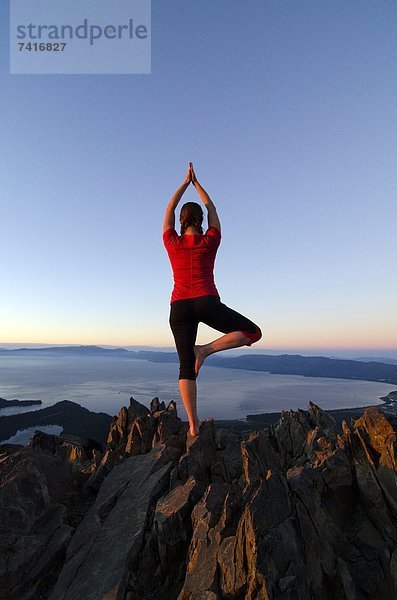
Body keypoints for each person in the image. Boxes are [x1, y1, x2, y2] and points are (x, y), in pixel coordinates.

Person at [163, 163, 262, 437]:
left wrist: (184, 184)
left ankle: (193, 426)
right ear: (201, 222)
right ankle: (205, 350)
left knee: (185, 366)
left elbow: (168, 211)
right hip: (206, 301)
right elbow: (213, 210)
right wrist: (197, 184)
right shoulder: (211, 240)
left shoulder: (172, 242)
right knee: (253, 332)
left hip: (179, 307)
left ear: (182, 222)